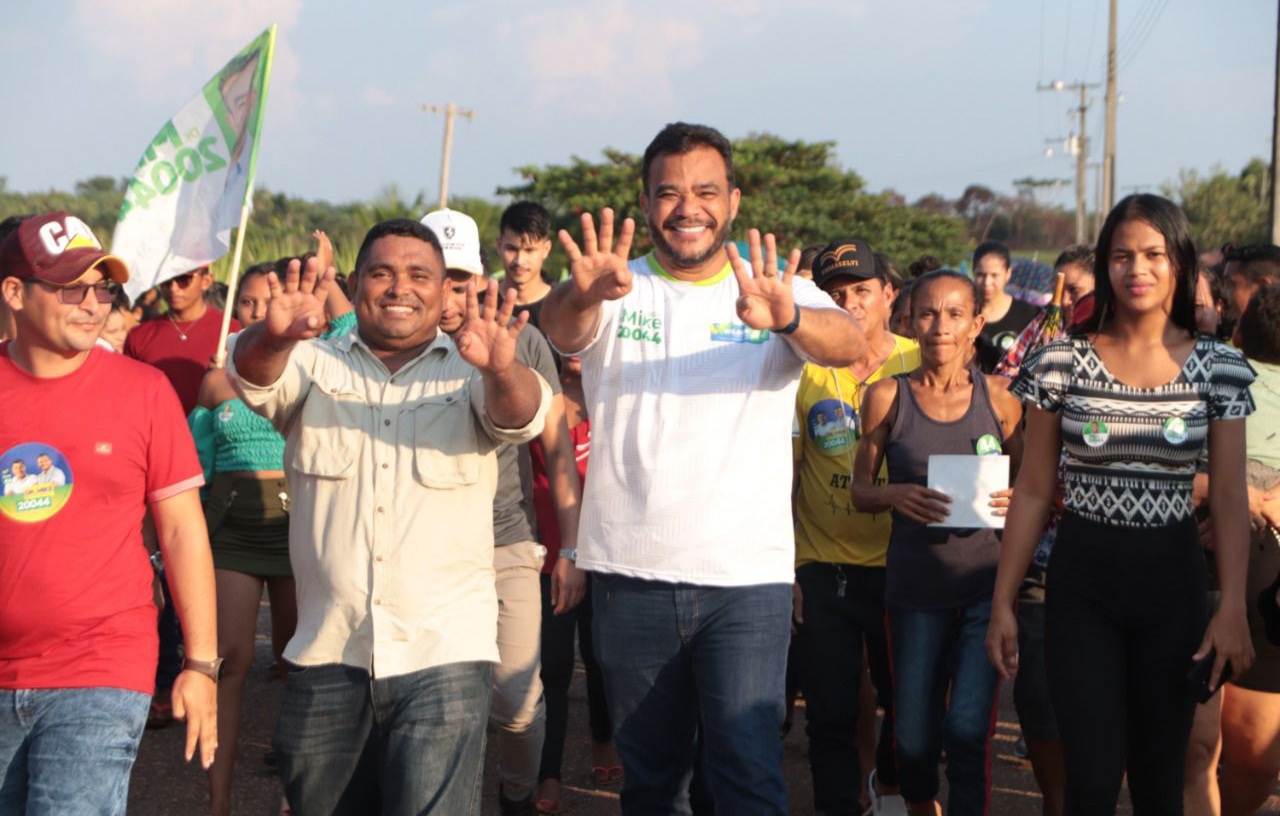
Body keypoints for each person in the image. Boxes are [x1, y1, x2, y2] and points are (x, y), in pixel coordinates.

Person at [539, 121, 864, 815]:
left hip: (745, 585)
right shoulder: (617, 288)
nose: (689, 207)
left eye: (706, 191)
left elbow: (848, 343)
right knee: (654, 785)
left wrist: (787, 321)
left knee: (747, 778)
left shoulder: (777, 287)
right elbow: (560, 329)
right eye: (669, 192)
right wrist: (583, 292)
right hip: (630, 576)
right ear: (646, 201)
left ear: (734, 201)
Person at [229, 218, 551, 816]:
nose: (400, 287)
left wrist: (502, 369)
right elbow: (251, 377)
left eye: (419, 275)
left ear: (444, 289)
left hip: (444, 655)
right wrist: (272, 338)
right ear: (355, 286)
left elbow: (520, 418)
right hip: (329, 649)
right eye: (382, 273)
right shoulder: (313, 364)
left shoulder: (472, 369)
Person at [988, 194, 1257, 814]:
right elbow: (1032, 490)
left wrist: (1233, 606)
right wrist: (1003, 602)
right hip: (1082, 591)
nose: (1137, 268)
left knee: (1161, 784)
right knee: (1092, 781)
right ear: (1106, 265)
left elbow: (1230, 493)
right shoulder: (1061, 360)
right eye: (1121, 255)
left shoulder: (1219, 367)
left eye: (1154, 254)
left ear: (1179, 261)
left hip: (1174, 590)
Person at [0, 210, 219, 814]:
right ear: (15, 292)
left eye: (103, 288)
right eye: (71, 287)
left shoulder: (142, 391)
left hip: (101, 663)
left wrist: (200, 663)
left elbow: (180, 529)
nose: (92, 304)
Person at [422, 206, 585, 816]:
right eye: (440, 277)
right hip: (423, 553)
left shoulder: (523, 335)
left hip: (507, 543)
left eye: (463, 280)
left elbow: (557, 450)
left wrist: (569, 549)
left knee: (518, 706)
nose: (452, 295)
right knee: (436, 710)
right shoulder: (393, 345)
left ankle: (517, 795)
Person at [851, 269, 1023, 816]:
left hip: (984, 591)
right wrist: (895, 494)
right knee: (916, 738)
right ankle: (918, 802)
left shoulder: (1002, 401)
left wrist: (1020, 497)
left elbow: (1039, 490)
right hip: (913, 593)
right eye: (927, 313)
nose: (939, 327)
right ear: (909, 321)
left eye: (953, 315)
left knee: (969, 731)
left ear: (976, 324)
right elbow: (859, 491)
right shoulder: (886, 398)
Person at [190, 246, 354, 816]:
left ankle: (295, 794)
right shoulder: (215, 382)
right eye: (251, 305)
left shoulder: (320, 366)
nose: (262, 313)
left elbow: (352, 321)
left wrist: (327, 277)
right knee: (231, 662)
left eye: (270, 302)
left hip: (297, 529)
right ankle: (218, 800)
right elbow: (195, 471)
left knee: (298, 664)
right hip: (233, 535)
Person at [792, 238, 918, 816]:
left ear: (889, 294)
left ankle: (890, 794)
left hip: (907, 566)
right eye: (835, 295)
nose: (850, 304)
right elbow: (785, 473)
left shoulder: (922, 360)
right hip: (824, 567)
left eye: (862, 291)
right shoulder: (802, 368)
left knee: (907, 709)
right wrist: (785, 567)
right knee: (830, 715)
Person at [529, 351, 620, 814]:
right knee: (555, 667)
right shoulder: (542, 403)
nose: (578, 349)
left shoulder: (618, 400)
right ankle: (549, 773)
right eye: (570, 340)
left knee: (603, 659)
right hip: (553, 558)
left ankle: (605, 741)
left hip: (608, 554)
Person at [973, 240, 1038, 372]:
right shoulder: (964, 313)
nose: (987, 282)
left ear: (1007, 274)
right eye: (981, 275)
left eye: (994, 275)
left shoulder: (1029, 314)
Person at [498, 201, 557, 327]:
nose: (519, 260)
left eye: (529, 250)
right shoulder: (479, 305)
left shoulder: (562, 306)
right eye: (511, 249)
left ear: (546, 249)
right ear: (499, 246)